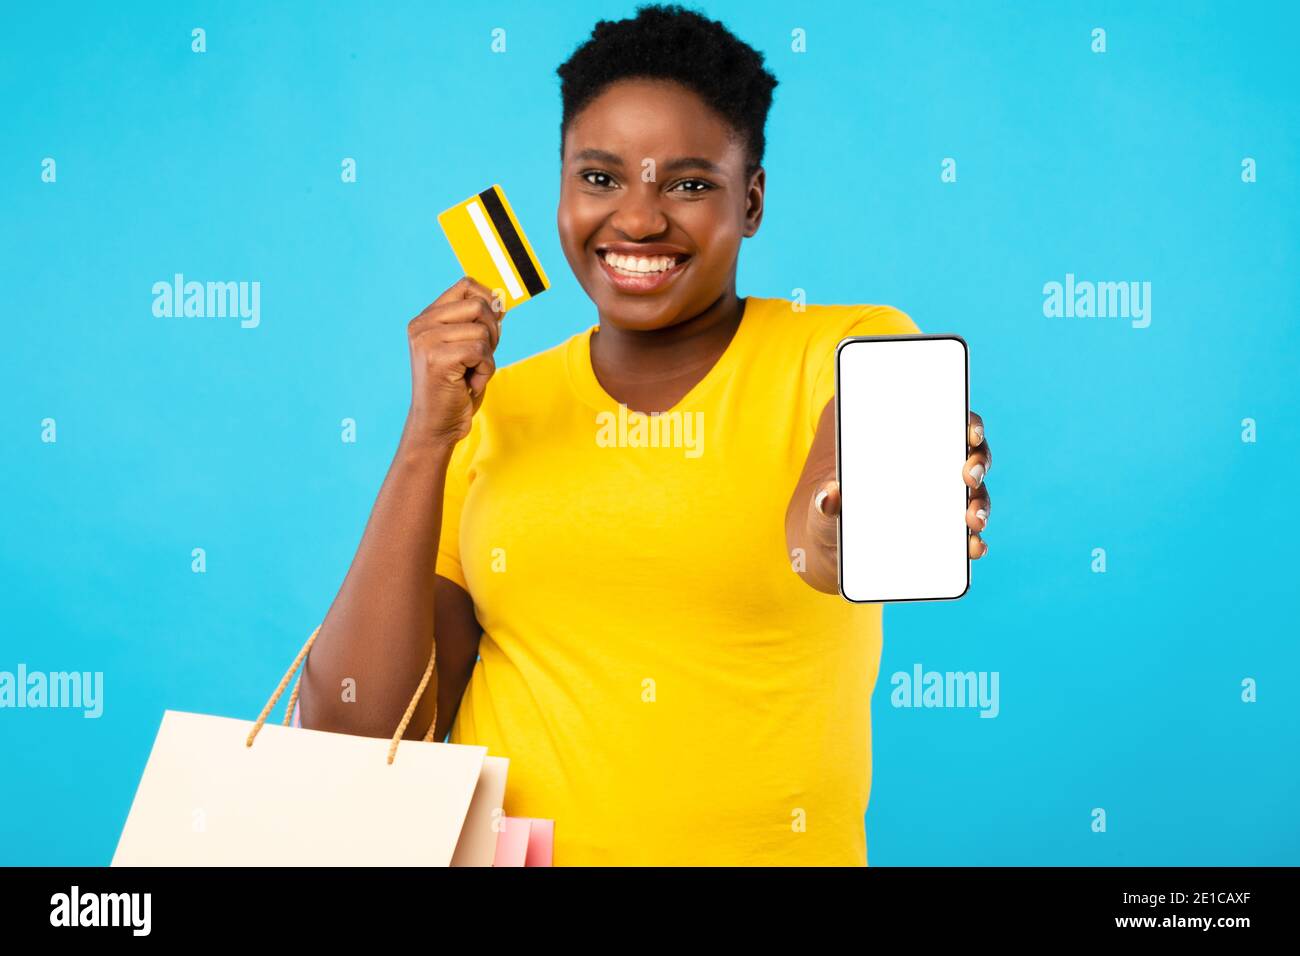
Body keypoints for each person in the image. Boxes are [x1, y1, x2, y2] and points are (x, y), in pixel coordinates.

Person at [298, 3, 993, 865]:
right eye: (599, 178)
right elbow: (350, 731)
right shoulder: (493, 410)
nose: (636, 220)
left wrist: (842, 523)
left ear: (753, 200)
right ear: (559, 188)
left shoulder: (847, 348)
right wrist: (425, 440)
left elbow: (826, 535)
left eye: (690, 184)